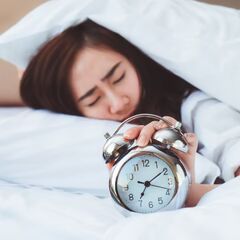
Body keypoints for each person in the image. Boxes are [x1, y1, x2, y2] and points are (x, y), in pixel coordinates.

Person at [16, 19, 240, 207]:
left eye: (118, 77)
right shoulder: (80, 134)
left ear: (132, 59)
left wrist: (187, 190)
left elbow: (232, 147)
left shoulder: (198, 107)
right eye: (93, 99)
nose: (117, 101)